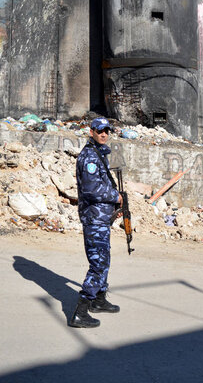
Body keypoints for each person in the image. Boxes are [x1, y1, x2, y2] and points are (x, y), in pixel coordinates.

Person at [69, 117, 122, 328]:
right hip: (94, 218)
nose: (104, 134)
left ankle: (98, 300)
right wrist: (115, 197)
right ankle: (80, 311)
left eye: (107, 130)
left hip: (101, 217)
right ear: (91, 131)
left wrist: (112, 209)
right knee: (98, 263)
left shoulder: (99, 154)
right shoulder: (90, 157)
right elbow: (91, 190)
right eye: (100, 130)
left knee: (104, 259)